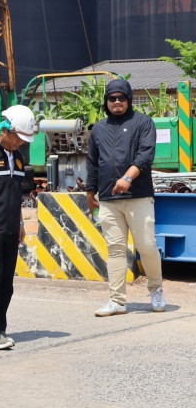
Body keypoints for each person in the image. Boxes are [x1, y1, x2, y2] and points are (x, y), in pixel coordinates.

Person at [86, 78, 165, 316]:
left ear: (129, 99)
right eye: (112, 98)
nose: (117, 102)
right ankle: (117, 301)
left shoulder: (143, 122)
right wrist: (90, 192)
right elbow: (92, 163)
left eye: (121, 97)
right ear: (106, 101)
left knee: (146, 246)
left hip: (138, 196)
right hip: (108, 199)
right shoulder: (98, 129)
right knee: (116, 249)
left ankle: (156, 289)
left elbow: (145, 154)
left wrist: (128, 178)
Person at [0, 105, 35, 349]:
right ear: (5, 130)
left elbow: (16, 194)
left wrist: (20, 222)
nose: (20, 143)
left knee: (6, 284)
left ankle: (0, 327)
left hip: (11, 229)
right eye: (18, 138)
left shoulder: (18, 158)